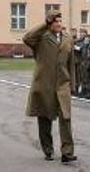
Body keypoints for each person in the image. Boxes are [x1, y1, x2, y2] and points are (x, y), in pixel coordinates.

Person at [23, 10, 77, 162]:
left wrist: (73, 84)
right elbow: (27, 38)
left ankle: (67, 152)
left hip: (63, 84)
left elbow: (71, 63)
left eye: (60, 21)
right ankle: (48, 149)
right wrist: (44, 25)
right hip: (44, 84)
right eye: (55, 21)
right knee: (45, 118)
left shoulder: (68, 39)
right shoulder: (41, 38)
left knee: (66, 117)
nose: (59, 24)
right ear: (49, 23)